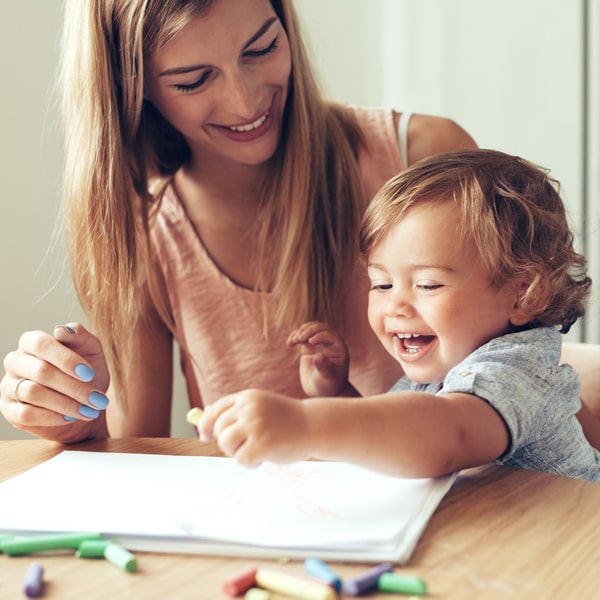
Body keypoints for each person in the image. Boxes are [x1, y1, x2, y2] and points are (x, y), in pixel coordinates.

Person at [0, 0, 478, 443]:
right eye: (192, 80)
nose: (245, 103)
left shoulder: (424, 156)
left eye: (263, 47)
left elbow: (515, 383)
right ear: (135, 89)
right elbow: (137, 451)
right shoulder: (147, 235)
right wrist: (76, 420)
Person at [198, 149, 600, 483]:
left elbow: (448, 436)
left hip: (567, 551)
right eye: (382, 284)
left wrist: (308, 424)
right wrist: (340, 395)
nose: (395, 307)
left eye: (427, 285)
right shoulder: (440, 368)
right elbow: (404, 443)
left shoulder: (517, 370)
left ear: (523, 293)